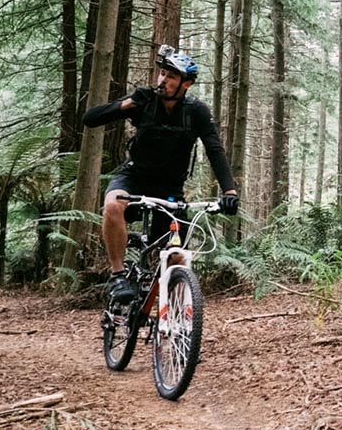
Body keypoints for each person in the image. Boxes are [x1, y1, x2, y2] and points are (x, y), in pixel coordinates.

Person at [83, 45, 238, 302]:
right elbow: (90, 119)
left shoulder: (195, 112)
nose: (163, 80)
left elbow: (215, 148)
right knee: (112, 205)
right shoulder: (143, 103)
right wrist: (129, 103)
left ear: (186, 84)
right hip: (133, 178)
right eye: (162, 74)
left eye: (172, 76)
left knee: (176, 257)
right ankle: (119, 276)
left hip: (170, 190)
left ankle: (176, 322)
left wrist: (229, 191)